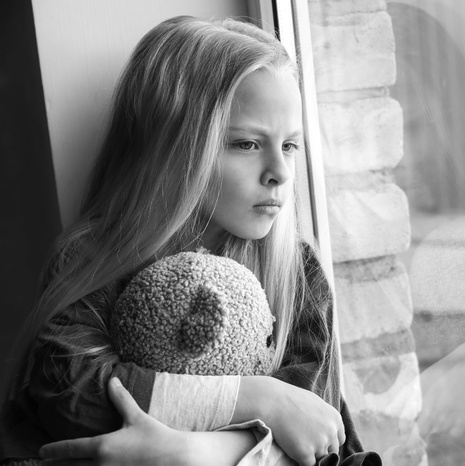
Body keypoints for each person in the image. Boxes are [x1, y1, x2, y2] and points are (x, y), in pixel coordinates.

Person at [0, 15, 380, 466]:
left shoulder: (296, 270)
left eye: (291, 146)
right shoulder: (93, 256)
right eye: (246, 144)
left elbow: (314, 433)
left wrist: (193, 452)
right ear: (171, 149)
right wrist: (255, 399)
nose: (280, 171)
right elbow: (75, 395)